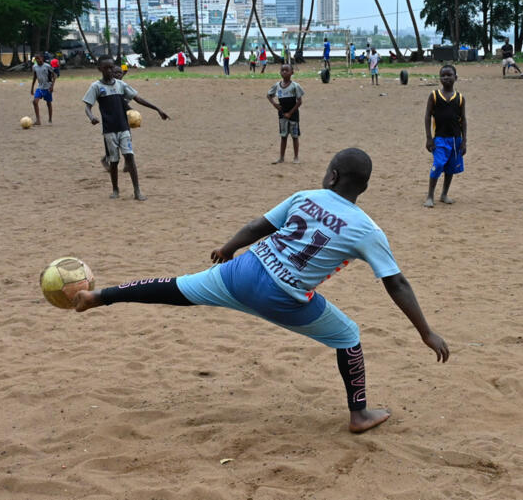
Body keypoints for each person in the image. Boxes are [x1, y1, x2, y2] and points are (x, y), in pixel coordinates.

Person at [69, 148, 450, 433]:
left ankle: (99, 296)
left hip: (242, 271)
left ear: (332, 176)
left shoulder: (305, 197)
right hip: (282, 296)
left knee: (176, 288)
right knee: (348, 336)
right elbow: (395, 282)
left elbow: (258, 226)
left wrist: (228, 247)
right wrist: (425, 332)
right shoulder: (368, 229)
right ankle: (359, 414)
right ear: (361, 188)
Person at [83, 56, 170, 200]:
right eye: (106, 68)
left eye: (111, 67)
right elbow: (87, 106)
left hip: (124, 128)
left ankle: (137, 190)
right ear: (100, 69)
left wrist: (157, 109)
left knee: (130, 158)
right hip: (109, 130)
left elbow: (138, 98)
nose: (110, 70)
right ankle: (115, 189)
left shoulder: (121, 85)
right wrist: (91, 117)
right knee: (114, 161)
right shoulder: (96, 87)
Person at [423, 65, 466, 207]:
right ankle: (430, 195)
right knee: (439, 164)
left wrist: (464, 141)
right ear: (440, 78)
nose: (446, 78)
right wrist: (429, 137)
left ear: (456, 77)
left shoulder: (460, 98)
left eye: (449, 75)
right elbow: (428, 116)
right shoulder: (434, 95)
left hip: (455, 139)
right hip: (439, 138)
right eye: (443, 75)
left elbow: (463, 120)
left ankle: (444, 194)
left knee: (450, 167)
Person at [267, 63, 304, 165]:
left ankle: (296, 157)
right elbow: (269, 95)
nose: (284, 72)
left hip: (293, 115)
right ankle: (281, 157)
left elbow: (299, 101)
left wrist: (290, 113)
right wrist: (275, 104)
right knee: (283, 136)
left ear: (292, 72)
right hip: (282, 115)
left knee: (294, 136)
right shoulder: (277, 86)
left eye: (286, 70)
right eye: (282, 70)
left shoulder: (295, 86)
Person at [30, 53, 55, 125]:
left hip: (47, 88)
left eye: (39, 58)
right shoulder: (34, 67)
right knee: (35, 102)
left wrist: (52, 86)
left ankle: (50, 119)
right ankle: (38, 120)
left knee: (48, 103)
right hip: (40, 88)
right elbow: (34, 77)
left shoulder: (47, 66)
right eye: (36, 59)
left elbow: (54, 76)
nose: (37, 60)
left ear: (42, 58)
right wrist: (32, 88)